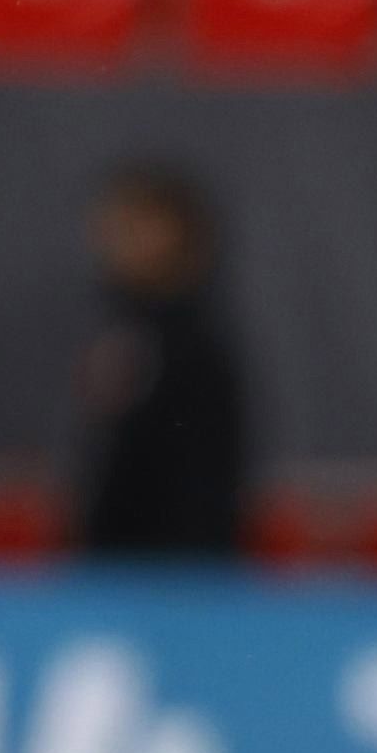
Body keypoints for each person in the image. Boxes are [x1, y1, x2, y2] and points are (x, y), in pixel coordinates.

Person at [70, 165, 253, 558]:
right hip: (116, 573)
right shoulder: (125, 331)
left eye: (136, 226)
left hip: (177, 582)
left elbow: (202, 486)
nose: (116, 240)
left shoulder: (195, 346)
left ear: (177, 235)